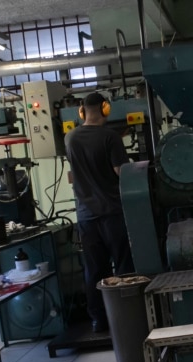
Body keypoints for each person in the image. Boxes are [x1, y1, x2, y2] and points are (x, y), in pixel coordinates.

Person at [65, 92, 135, 332]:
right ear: (105, 108)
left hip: (85, 216)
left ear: (82, 111)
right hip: (113, 213)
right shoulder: (110, 137)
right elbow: (120, 171)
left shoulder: (70, 138)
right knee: (124, 265)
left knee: (95, 270)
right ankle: (126, 316)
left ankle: (99, 320)